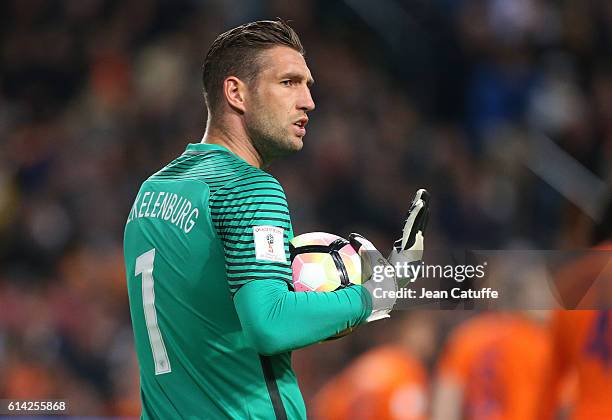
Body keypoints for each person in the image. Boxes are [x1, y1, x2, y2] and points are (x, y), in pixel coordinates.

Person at [123, 20, 429, 419]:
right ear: (236, 92)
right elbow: (270, 324)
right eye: (288, 83)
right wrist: (378, 293)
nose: (308, 101)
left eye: (308, 85)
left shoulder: (152, 192)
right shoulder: (248, 186)